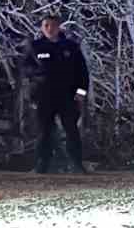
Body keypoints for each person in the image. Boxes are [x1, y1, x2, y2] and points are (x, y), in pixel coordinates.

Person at [23, 12, 90, 174]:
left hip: (67, 96)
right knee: (43, 131)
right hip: (44, 96)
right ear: (41, 27)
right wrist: (37, 76)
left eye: (52, 25)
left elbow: (82, 72)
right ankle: (42, 165)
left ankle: (76, 164)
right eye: (46, 25)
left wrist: (81, 93)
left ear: (58, 27)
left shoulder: (70, 47)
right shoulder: (35, 46)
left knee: (71, 130)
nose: (49, 29)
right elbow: (25, 69)